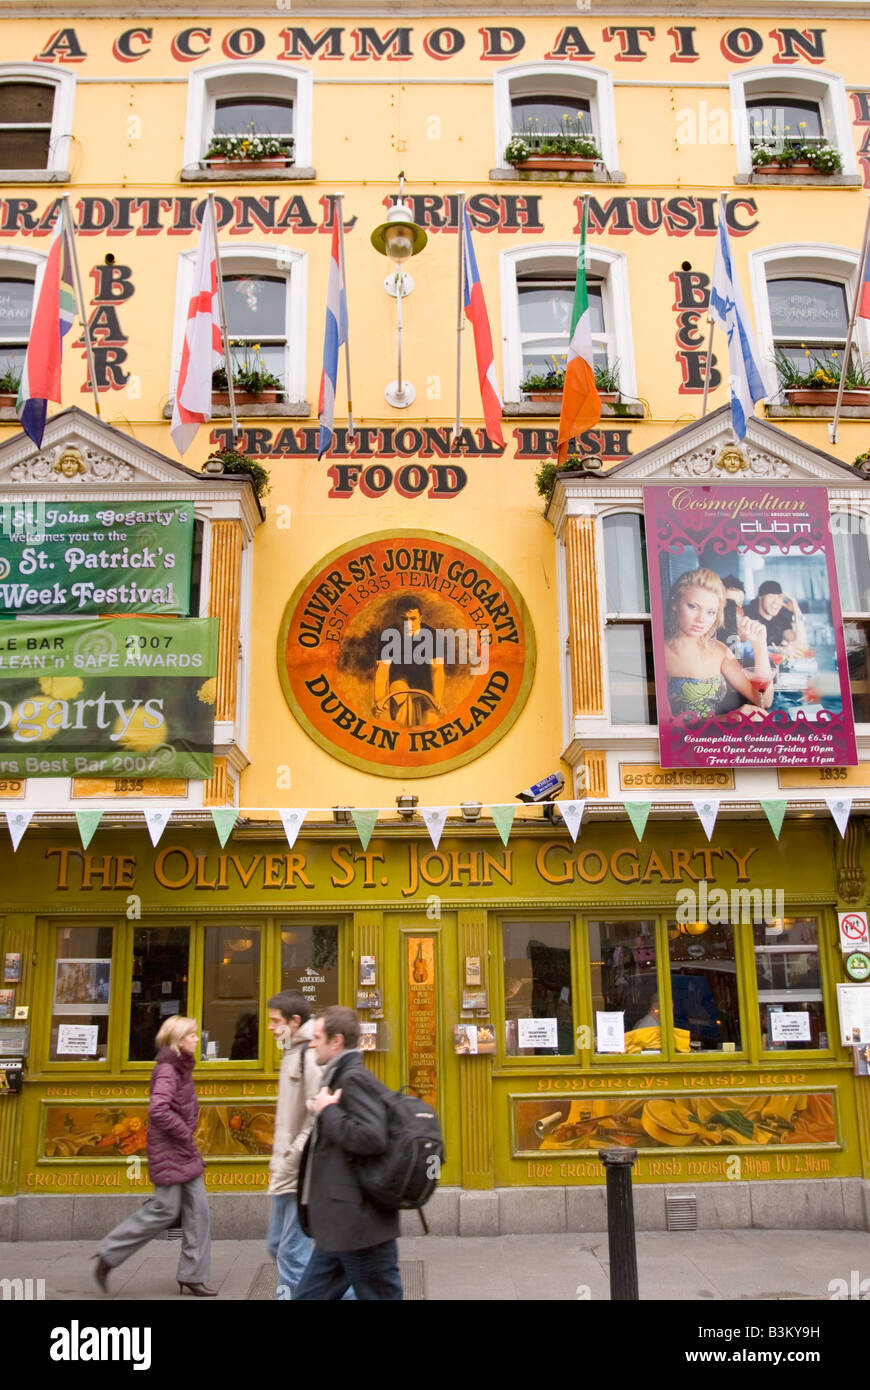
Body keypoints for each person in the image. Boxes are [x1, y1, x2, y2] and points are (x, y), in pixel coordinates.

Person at [94, 1015, 216, 1296]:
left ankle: (193, 1274)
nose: (197, 1039)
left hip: (182, 1150)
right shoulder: (168, 1070)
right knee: (164, 1209)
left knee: (199, 1211)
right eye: (192, 1035)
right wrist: (185, 1134)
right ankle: (108, 1254)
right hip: (170, 1150)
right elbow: (158, 1109)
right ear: (177, 1040)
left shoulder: (181, 1067)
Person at [294, 1005, 402, 1301]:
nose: (311, 1043)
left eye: (317, 1037)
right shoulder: (340, 1075)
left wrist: (327, 1112)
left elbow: (372, 1137)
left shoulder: (352, 1078)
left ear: (336, 1041)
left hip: (359, 1226)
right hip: (342, 1223)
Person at [265, 990, 336, 1300]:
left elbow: (317, 1115)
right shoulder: (292, 1050)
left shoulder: (309, 1054)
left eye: (275, 1021)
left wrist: (295, 1155)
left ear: (294, 1021)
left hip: (298, 1170)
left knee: (291, 1252)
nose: (270, 1026)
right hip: (286, 1170)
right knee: (277, 1244)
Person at [664, 568, 773, 719]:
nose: (701, 619)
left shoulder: (719, 650)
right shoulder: (659, 654)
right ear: (675, 603)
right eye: (693, 606)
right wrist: (728, 719)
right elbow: (667, 727)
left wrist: (760, 644)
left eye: (710, 612)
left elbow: (763, 700)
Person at [374, 597, 444, 727]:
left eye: (412, 619)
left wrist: (438, 698)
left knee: (430, 721)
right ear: (396, 617)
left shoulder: (432, 635)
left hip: (425, 684)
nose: (408, 624)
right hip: (399, 682)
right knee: (401, 710)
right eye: (403, 619)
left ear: (420, 618)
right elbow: (382, 670)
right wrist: (379, 700)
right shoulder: (387, 635)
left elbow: (437, 669)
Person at [744, 580, 807, 652]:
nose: (775, 602)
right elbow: (744, 651)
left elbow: (801, 646)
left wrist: (797, 611)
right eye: (770, 596)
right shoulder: (747, 615)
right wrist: (780, 651)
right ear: (760, 598)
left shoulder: (781, 618)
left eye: (779, 597)